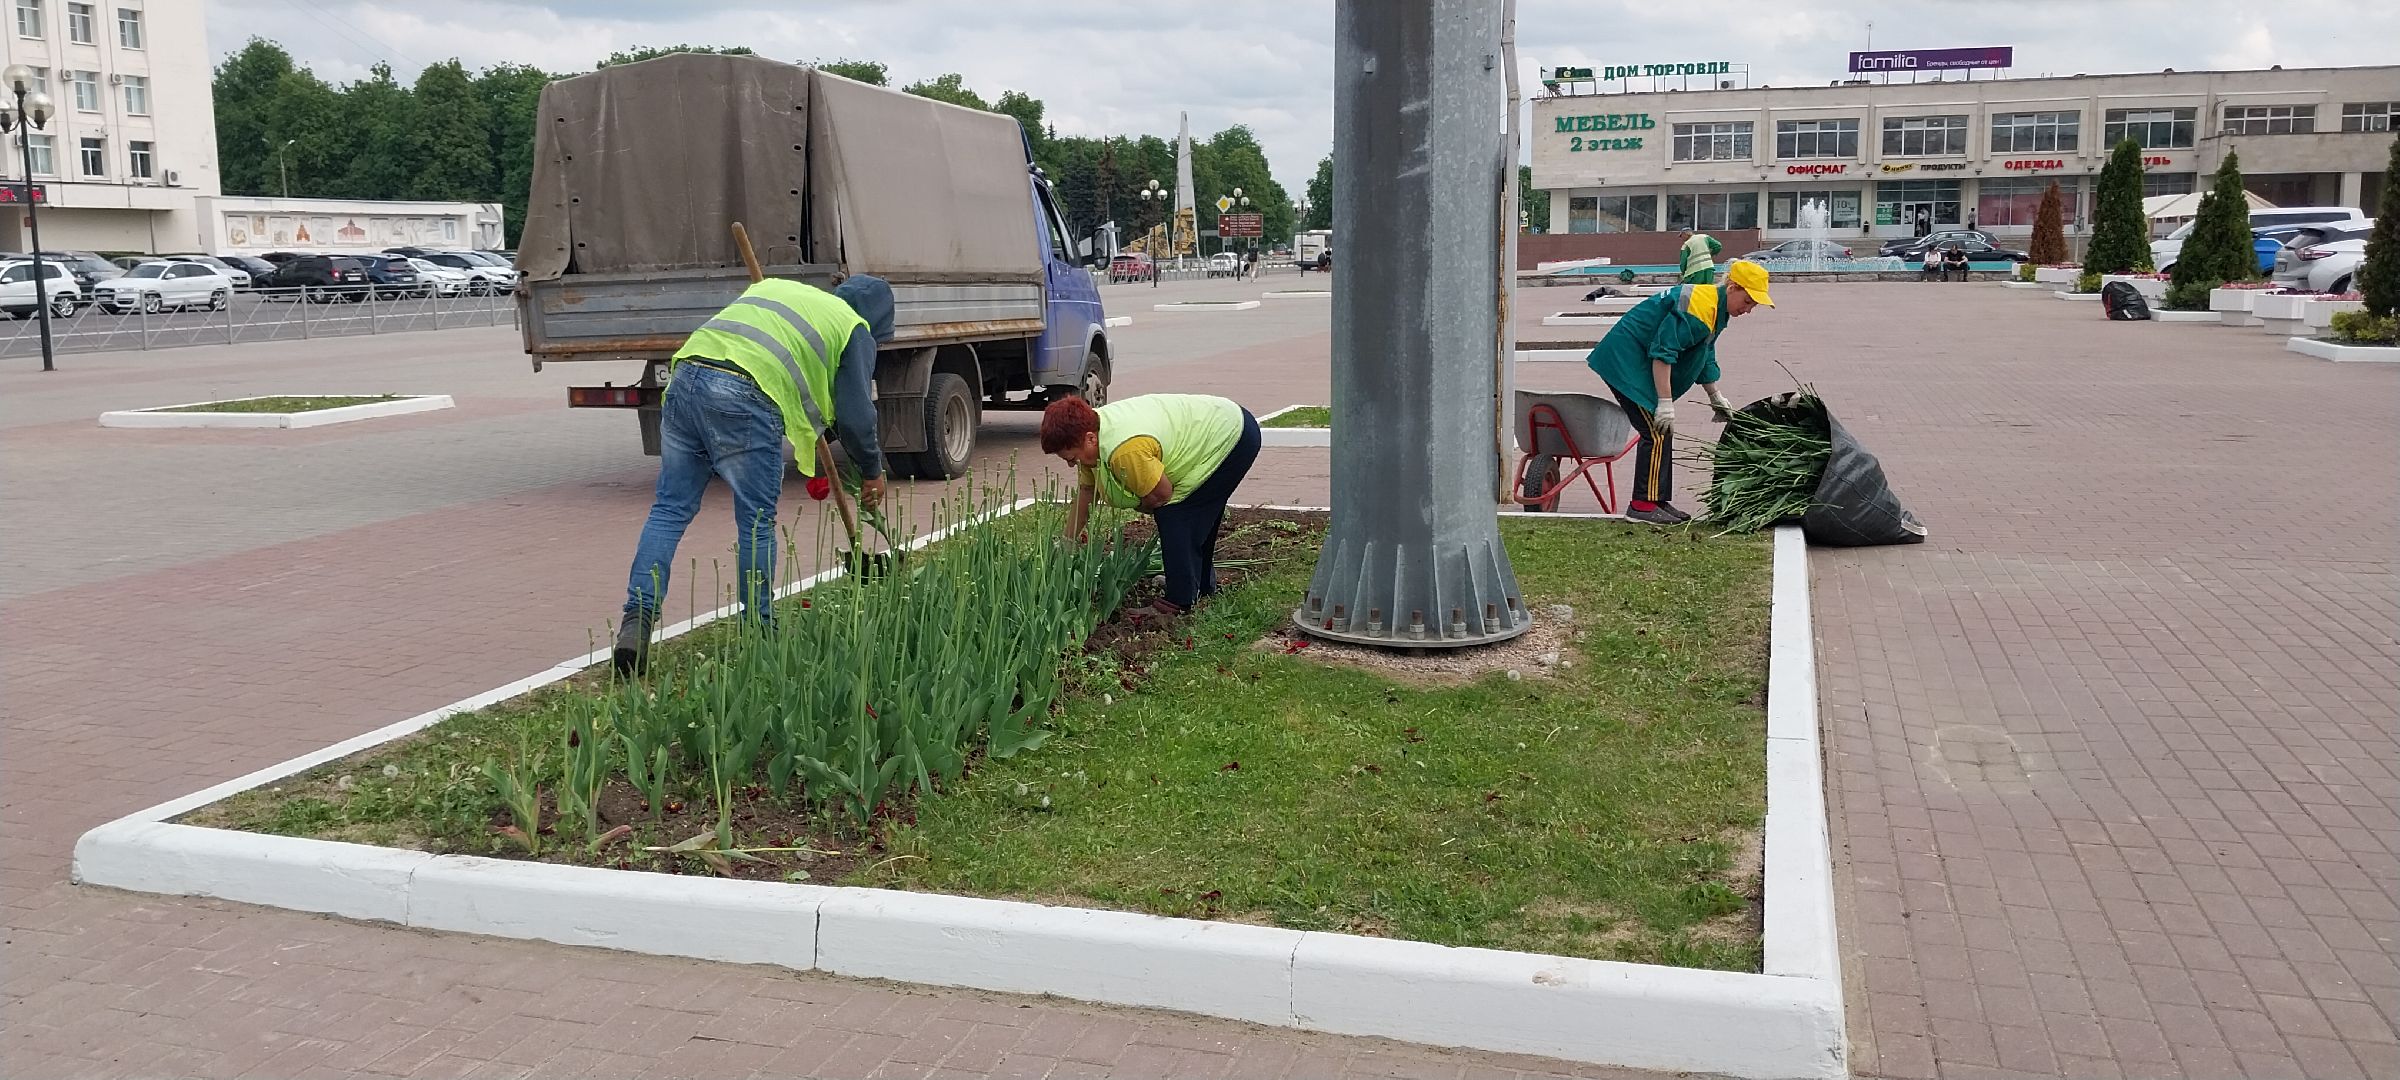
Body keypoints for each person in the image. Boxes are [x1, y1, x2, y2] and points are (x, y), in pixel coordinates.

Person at [612, 275, 897, 674]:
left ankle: (636, 622)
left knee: (670, 509)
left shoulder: (780, 289)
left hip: (685, 379)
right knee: (757, 522)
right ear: (878, 321)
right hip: (744, 393)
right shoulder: (855, 328)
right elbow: (855, 414)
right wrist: (871, 470)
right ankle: (759, 630)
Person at [1582, 260, 1774, 525]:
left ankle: (1656, 501)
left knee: (1663, 431)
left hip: (1638, 361)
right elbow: (1663, 353)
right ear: (1732, 287)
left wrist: (1714, 396)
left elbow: (1704, 353)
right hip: (1625, 362)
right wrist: (1664, 402)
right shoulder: (1700, 307)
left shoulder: (1715, 307)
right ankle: (1641, 506)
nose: (1749, 309)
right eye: (1748, 301)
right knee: (1656, 431)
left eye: (1753, 305)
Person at [1042, 393, 1262, 617]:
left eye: (1072, 458)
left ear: (1090, 438)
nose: (1071, 464)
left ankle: (1179, 601)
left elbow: (1161, 496)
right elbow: (1088, 491)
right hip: (1224, 422)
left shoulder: (1125, 450)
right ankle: (1199, 586)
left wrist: (1137, 501)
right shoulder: (1094, 436)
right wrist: (1067, 542)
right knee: (1194, 514)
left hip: (1230, 438)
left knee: (1176, 513)